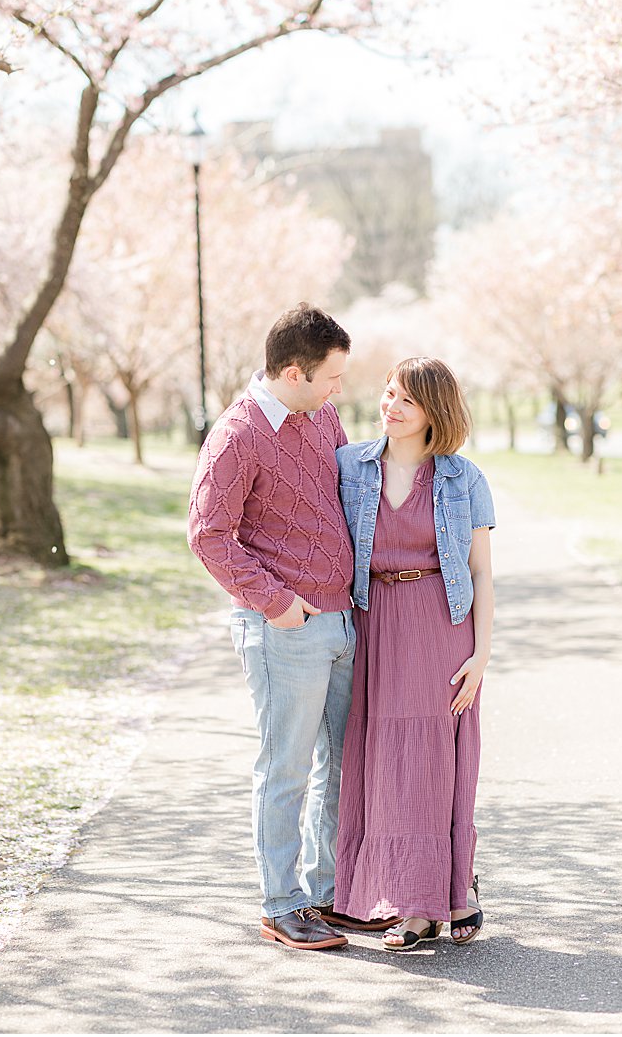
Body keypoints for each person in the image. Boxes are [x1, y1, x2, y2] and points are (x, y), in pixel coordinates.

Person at [187, 303, 394, 950]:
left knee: (341, 764)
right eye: (332, 377)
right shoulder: (237, 435)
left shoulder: (320, 416)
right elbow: (207, 534)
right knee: (287, 768)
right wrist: (275, 601)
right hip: (285, 628)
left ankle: (327, 893)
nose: (340, 390)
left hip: (340, 618)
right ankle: (281, 903)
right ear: (296, 371)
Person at [332, 357, 495, 950]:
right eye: (388, 393)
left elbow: (480, 571)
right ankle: (397, 899)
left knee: (433, 761)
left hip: (438, 628)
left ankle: (437, 901)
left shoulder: (463, 479)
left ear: (435, 411)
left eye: (406, 399)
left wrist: (481, 655)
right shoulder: (350, 467)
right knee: (382, 762)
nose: (390, 406)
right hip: (373, 624)